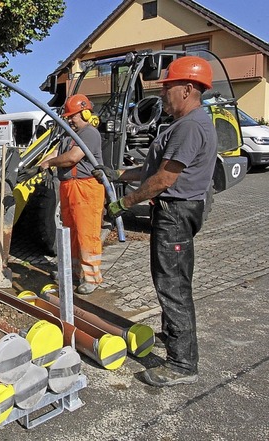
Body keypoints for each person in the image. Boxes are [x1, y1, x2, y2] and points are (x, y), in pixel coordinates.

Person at [93, 56, 216, 387]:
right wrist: (118, 174)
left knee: (172, 284)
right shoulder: (184, 123)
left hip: (176, 213)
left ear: (188, 89)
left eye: (168, 88)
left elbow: (164, 180)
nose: (163, 94)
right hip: (177, 211)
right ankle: (174, 335)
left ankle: (181, 364)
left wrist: (124, 203)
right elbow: (150, 171)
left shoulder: (191, 126)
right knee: (173, 278)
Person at [39, 94, 104, 295]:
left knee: (86, 234)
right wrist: (39, 164)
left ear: (84, 113)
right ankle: (74, 272)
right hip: (69, 187)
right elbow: (56, 153)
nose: (69, 120)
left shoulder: (89, 134)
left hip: (86, 188)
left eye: (72, 116)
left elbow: (72, 158)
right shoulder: (69, 136)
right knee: (71, 233)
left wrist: (50, 163)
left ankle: (92, 278)